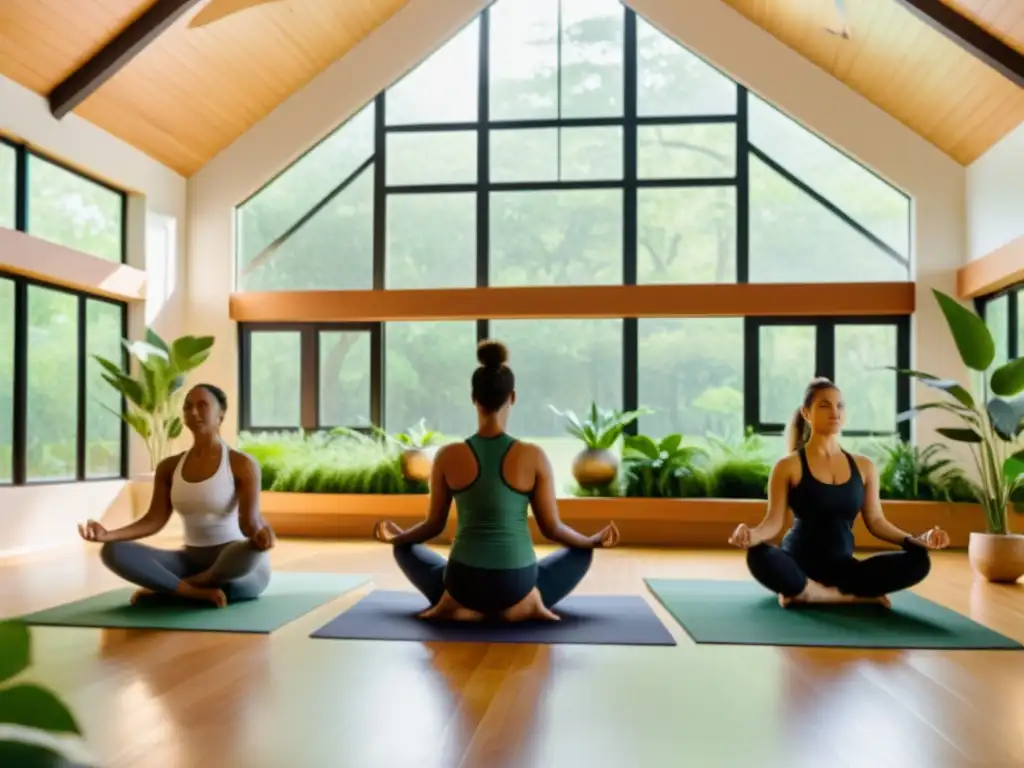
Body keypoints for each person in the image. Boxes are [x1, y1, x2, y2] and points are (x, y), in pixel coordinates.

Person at [373, 339, 620, 623]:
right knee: (581, 554)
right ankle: (524, 604)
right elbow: (552, 529)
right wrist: (590, 541)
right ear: (512, 397)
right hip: (517, 585)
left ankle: (456, 603)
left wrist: (397, 537)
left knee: (406, 548)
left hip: (462, 584)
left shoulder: (447, 455)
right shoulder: (533, 456)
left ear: (473, 398)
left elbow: (433, 526)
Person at [728, 377, 949, 608]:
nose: (835, 411)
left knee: (919, 562)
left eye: (840, 405)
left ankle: (818, 594)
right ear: (806, 413)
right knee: (758, 555)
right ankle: (824, 592)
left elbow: (876, 521)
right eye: (824, 405)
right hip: (797, 566)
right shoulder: (788, 466)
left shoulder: (864, 467)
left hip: (844, 569)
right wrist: (751, 536)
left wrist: (917, 541)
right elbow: (773, 523)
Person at [78, 383, 276, 608]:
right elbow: (153, 520)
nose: (193, 412)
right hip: (188, 559)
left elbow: (250, 523)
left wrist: (261, 536)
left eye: (202, 405)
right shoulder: (169, 467)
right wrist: (108, 535)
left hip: (232, 564)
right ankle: (190, 591)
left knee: (246, 558)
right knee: (113, 551)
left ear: (220, 414)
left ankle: (177, 587)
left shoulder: (242, 464)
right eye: (188, 406)